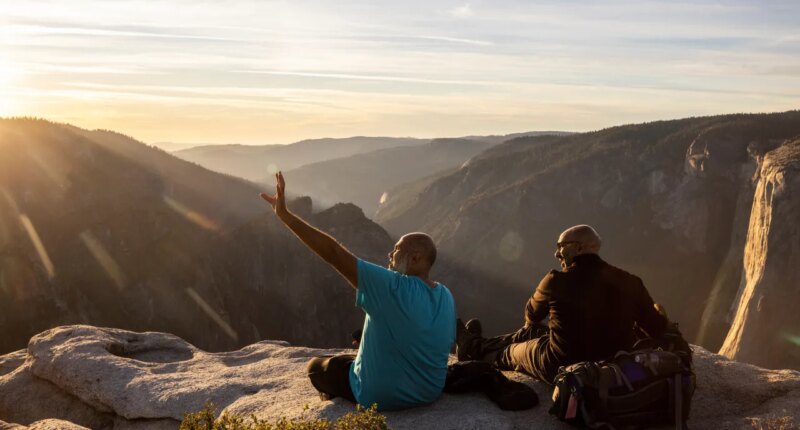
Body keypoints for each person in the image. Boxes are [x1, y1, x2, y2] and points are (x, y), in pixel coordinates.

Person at [260, 172, 456, 410]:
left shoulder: (391, 286)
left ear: (415, 258)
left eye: (396, 250)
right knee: (353, 357)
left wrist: (285, 216)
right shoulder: (445, 295)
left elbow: (333, 253)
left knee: (317, 367)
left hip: (378, 396)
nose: (390, 256)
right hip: (430, 392)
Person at [456, 224, 667, 384]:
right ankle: (474, 344)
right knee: (534, 333)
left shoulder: (556, 280)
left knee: (512, 351)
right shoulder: (630, 281)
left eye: (560, 246)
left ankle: (474, 348)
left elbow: (531, 314)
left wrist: (534, 329)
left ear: (579, 248)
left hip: (559, 364)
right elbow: (656, 328)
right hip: (613, 364)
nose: (557, 253)